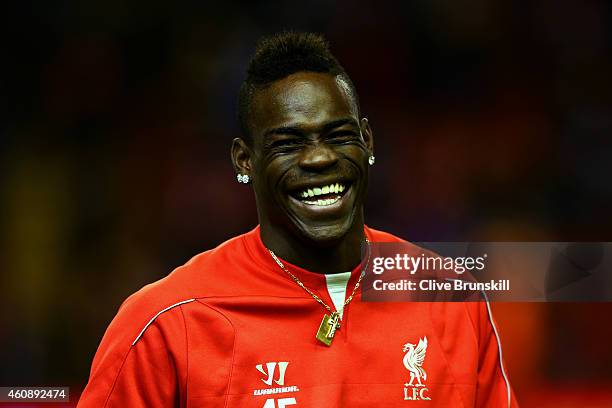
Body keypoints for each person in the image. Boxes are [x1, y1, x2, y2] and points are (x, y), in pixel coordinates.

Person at [78, 32, 517, 407]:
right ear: (244, 160)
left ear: (367, 140)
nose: (320, 158)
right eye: (288, 143)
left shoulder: (449, 301)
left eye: (338, 135)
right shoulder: (167, 323)